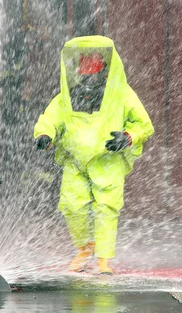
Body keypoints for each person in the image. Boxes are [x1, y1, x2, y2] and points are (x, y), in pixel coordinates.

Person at [33, 35, 154, 274]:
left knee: (106, 208)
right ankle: (84, 247)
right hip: (76, 161)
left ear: (104, 72)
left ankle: (103, 260)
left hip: (107, 161)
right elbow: (50, 118)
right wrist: (44, 135)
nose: (89, 82)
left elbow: (144, 124)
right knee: (71, 205)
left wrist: (127, 137)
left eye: (94, 75)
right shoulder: (68, 96)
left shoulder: (122, 95)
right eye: (85, 76)